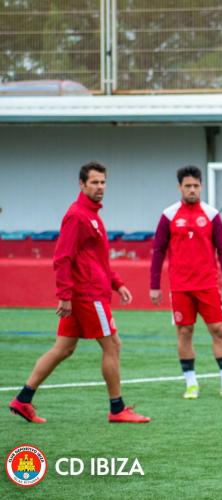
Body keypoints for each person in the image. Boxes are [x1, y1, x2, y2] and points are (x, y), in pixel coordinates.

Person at [9, 162, 150, 423]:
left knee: (63, 349)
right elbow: (62, 257)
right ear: (82, 184)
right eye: (94, 182)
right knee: (113, 345)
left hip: (86, 293)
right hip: (87, 295)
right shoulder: (77, 216)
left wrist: (117, 283)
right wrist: (64, 295)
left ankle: (23, 399)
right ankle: (117, 409)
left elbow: (96, 260)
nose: (100, 187)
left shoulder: (92, 216)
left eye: (103, 182)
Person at [150, 166, 222, 400]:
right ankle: (191, 384)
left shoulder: (212, 215)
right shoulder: (169, 215)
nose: (192, 190)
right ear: (179, 187)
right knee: (185, 332)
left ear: (201, 186)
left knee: (219, 330)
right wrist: (154, 285)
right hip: (180, 287)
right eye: (188, 186)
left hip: (208, 285)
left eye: (195, 186)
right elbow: (158, 251)